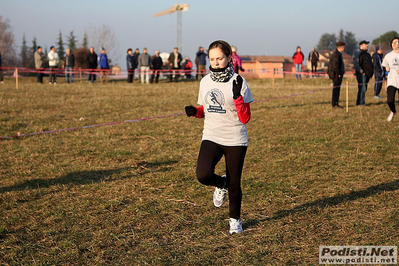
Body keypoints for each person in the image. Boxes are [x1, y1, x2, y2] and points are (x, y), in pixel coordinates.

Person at [184, 40, 254, 234]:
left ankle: (235, 220)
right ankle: (220, 183)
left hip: (235, 138)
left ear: (229, 58)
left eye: (220, 58)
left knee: (235, 183)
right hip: (212, 135)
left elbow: (245, 118)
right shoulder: (205, 81)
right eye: (212, 59)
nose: (215, 62)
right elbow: (206, 109)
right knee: (203, 174)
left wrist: (238, 98)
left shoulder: (239, 82)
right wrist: (195, 112)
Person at [382, 36, 399, 122]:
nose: (395, 44)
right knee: (390, 100)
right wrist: (386, 69)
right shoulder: (388, 56)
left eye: (396, 42)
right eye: (393, 43)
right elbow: (384, 69)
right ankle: (393, 111)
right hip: (392, 81)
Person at [355, 40, 373, 106]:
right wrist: (362, 72)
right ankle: (361, 103)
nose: (367, 45)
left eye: (367, 44)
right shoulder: (359, 54)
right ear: (361, 46)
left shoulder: (367, 54)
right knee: (362, 89)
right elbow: (357, 64)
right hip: (362, 75)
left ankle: (361, 102)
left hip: (367, 74)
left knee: (364, 89)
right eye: (365, 44)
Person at [327, 42, 346, 108]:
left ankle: (336, 103)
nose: (344, 48)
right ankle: (334, 104)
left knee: (337, 89)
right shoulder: (336, 55)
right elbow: (335, 66)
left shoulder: (338, 54)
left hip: (337, 74)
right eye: (343, 47)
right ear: (340, 47)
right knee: (336, 90)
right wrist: (338, 74)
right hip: (336, 75)